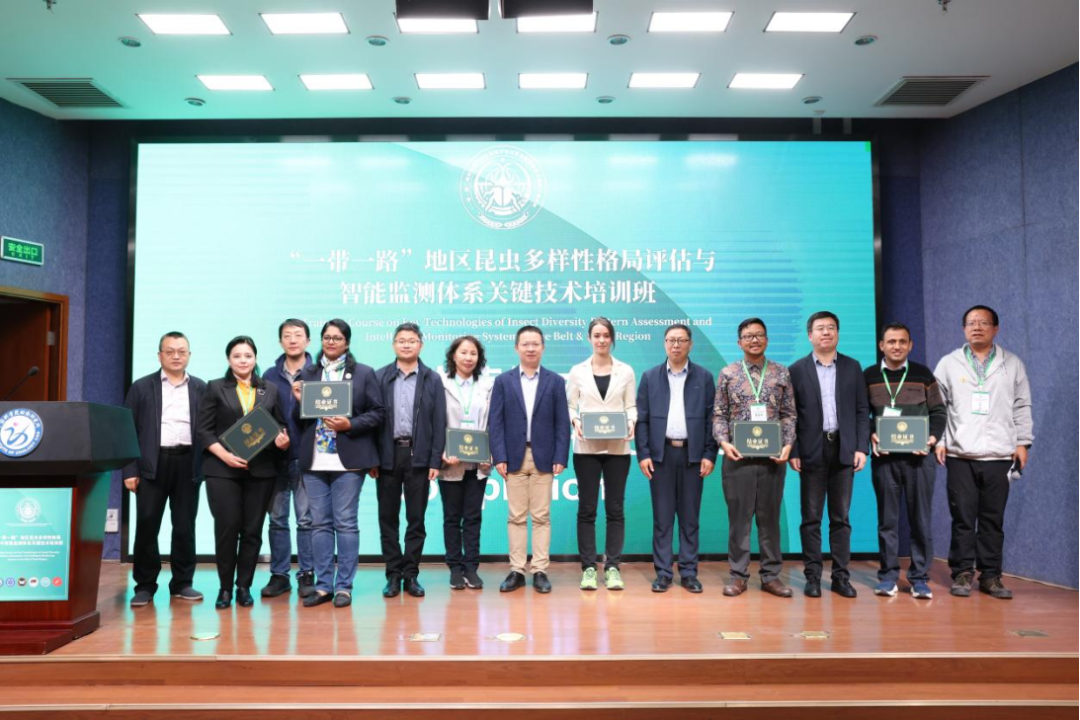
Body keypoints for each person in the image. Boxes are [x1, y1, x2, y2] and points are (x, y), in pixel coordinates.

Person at [934, 305, 1033, 600]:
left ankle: (991, 576)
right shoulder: (949, 363)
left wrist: (1022, 442)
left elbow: (1022, 404)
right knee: (963, 518)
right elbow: (937, 407)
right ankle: (963, 573)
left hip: (1000, 454)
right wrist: (940, 440)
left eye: (983, 322)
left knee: (992, 519)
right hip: (960, 454)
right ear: (964, 329)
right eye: (971, 323)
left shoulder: (1012, 363)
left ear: (995, 328)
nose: (977, 327)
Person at [293, 319, 384, 608]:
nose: (331, 342)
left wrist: (350, 424)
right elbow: (299, 420)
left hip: (349, 460)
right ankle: (323, 586)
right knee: (319, 524)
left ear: (347, 343)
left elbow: (378, 413)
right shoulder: (308, 373)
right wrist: (299, 400)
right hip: (314, 459)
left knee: (345, 522)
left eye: (337, 338)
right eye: (327, 337)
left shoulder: (364, 373)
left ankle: (344, 586)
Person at [197, 336, 290, 610]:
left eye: (248, 356)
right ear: (229, 360)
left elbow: (279, 425)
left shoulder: (269, 389)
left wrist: (283, 440)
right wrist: (226, 455)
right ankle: (225, 588)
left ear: (255, 359)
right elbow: (203, 430)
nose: (243, 360)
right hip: (222, 469)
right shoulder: (216, 387)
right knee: (227, 528)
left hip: (261, 471)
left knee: (252, 530)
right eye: (237, 356)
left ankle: (243, 587)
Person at [713, 318, 796, 598]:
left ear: (767, 340)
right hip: (738, 458)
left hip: (773, 459)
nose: (754, 340)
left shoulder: (781, 373)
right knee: (739, 520)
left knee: (769, 519)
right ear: (739, 342)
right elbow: (719, 414)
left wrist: (788, 444)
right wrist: (724, 442)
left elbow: (789, 414)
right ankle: (738, 576)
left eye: (759, 335)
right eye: (748, 336)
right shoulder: (728, 373)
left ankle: (771, 576)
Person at [123, 331, 207, 607]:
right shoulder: (141, 387)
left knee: (184, 526)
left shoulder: (200, 388)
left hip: (187, 463)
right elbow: (127, 430)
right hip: (152, 463)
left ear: (189, 355)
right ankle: (145, 585)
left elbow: (209, 428)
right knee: (147, 524)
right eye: (170, 351)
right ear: (159, 355)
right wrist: (130, 470)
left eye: (181, 351)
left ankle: (182, 583)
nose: (176, 356)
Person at [789, 311, 869, 599]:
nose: (826, 332)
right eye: (820, 328)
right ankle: (812, 577)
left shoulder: (852, 366)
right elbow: (790, 414)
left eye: (831, 327)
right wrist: (794, 449)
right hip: (811, 450)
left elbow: (862, 410)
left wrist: (861, 447)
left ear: (837, 333)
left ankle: (840, 577)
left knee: (841, 518)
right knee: (811, 518)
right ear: (809, 335)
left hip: (844, 449)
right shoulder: (796, 370)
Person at [866, 323, 947, 600]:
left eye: (902, 341)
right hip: (885, 460)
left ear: (910, 345)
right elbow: (861, 413)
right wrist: (872, 433)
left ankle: (919, 579)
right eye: (891, 341)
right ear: (882, 345)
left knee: (920, 521)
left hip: (919, 460)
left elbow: (938, 412)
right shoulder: (869, 375)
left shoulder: (923, 374)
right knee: (887, 521)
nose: (897, 346)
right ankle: (888, 577)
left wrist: (931, 439)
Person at [635, 323, 718, 593]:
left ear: (690, 345)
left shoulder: (704, 377)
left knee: (690, 517)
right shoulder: (650, 377)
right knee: (662, 518)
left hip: (693, 456)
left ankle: (689, 572)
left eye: (681, 340)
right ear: (664, 344)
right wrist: (644, 454)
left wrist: (709, 454)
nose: (676, 345)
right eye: (671, 340)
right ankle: (663, 573)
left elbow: (712, 419)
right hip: (661, 456)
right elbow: (642, 420)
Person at [490, 325, 571, 594]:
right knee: (515, 516)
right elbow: (496, 422)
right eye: (525, 344)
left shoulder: (555, 381)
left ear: (543, 347)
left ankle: (539, 570)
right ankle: (516, 570)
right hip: (513, 456)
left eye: (535, 343)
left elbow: (562, 423)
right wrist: (499, 455)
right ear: (516, 348)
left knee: (541, 516)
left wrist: (560, 455)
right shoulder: (503, 381)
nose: (530, 348)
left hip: (544, 457)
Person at [374, 322, 446, 599]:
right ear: (394, 344)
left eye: (412, 340)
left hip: (419, 456)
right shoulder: (380, 377)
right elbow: (372, 420)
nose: (406, 344)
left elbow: (439, 421)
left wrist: (435, 460)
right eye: (401, 340)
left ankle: (411, 574)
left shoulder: (432, 379)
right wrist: (373, 458)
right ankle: (393, 574)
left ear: (421, 345)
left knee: (416, 519)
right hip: (387, 455)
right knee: (387, 518)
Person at [566, 317, 637, 591]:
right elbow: (570, 405)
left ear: (612, 338)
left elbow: (630, 406)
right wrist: (575, 421)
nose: (601, 340)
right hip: (586, 449)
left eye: (606, 335)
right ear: (589, 338)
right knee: (587, 509)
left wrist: (631, 422)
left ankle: (613, 567)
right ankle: (588, 568)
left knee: (615, 509)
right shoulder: (577, 371)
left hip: (618, 448)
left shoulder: (626, 371)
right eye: (596, 335)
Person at [260, 319, 316, 600]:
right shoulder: (268, 375)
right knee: (277, 519)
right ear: (280, 341)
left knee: (307, 520)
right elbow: (261, 415)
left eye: (298, 335)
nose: (293, 340)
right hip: (275, 458)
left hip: (308, 458)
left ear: (308, 341)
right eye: (287, 335)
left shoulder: (319, 374)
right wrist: (273, 437)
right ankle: (279, 575)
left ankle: (307, 573)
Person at [439, 335, 494, 590]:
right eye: (463, 352)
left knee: (473, 517)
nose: (468, 358)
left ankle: (471, 568)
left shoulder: (488, 385)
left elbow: (493, 422)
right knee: (452, 517)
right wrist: (442, 451)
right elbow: (435, 421)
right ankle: (454, 568)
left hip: (478, 463)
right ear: (453, 356)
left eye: (473, 353)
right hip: (450, 462)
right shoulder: (441, 383)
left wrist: (490, 454)